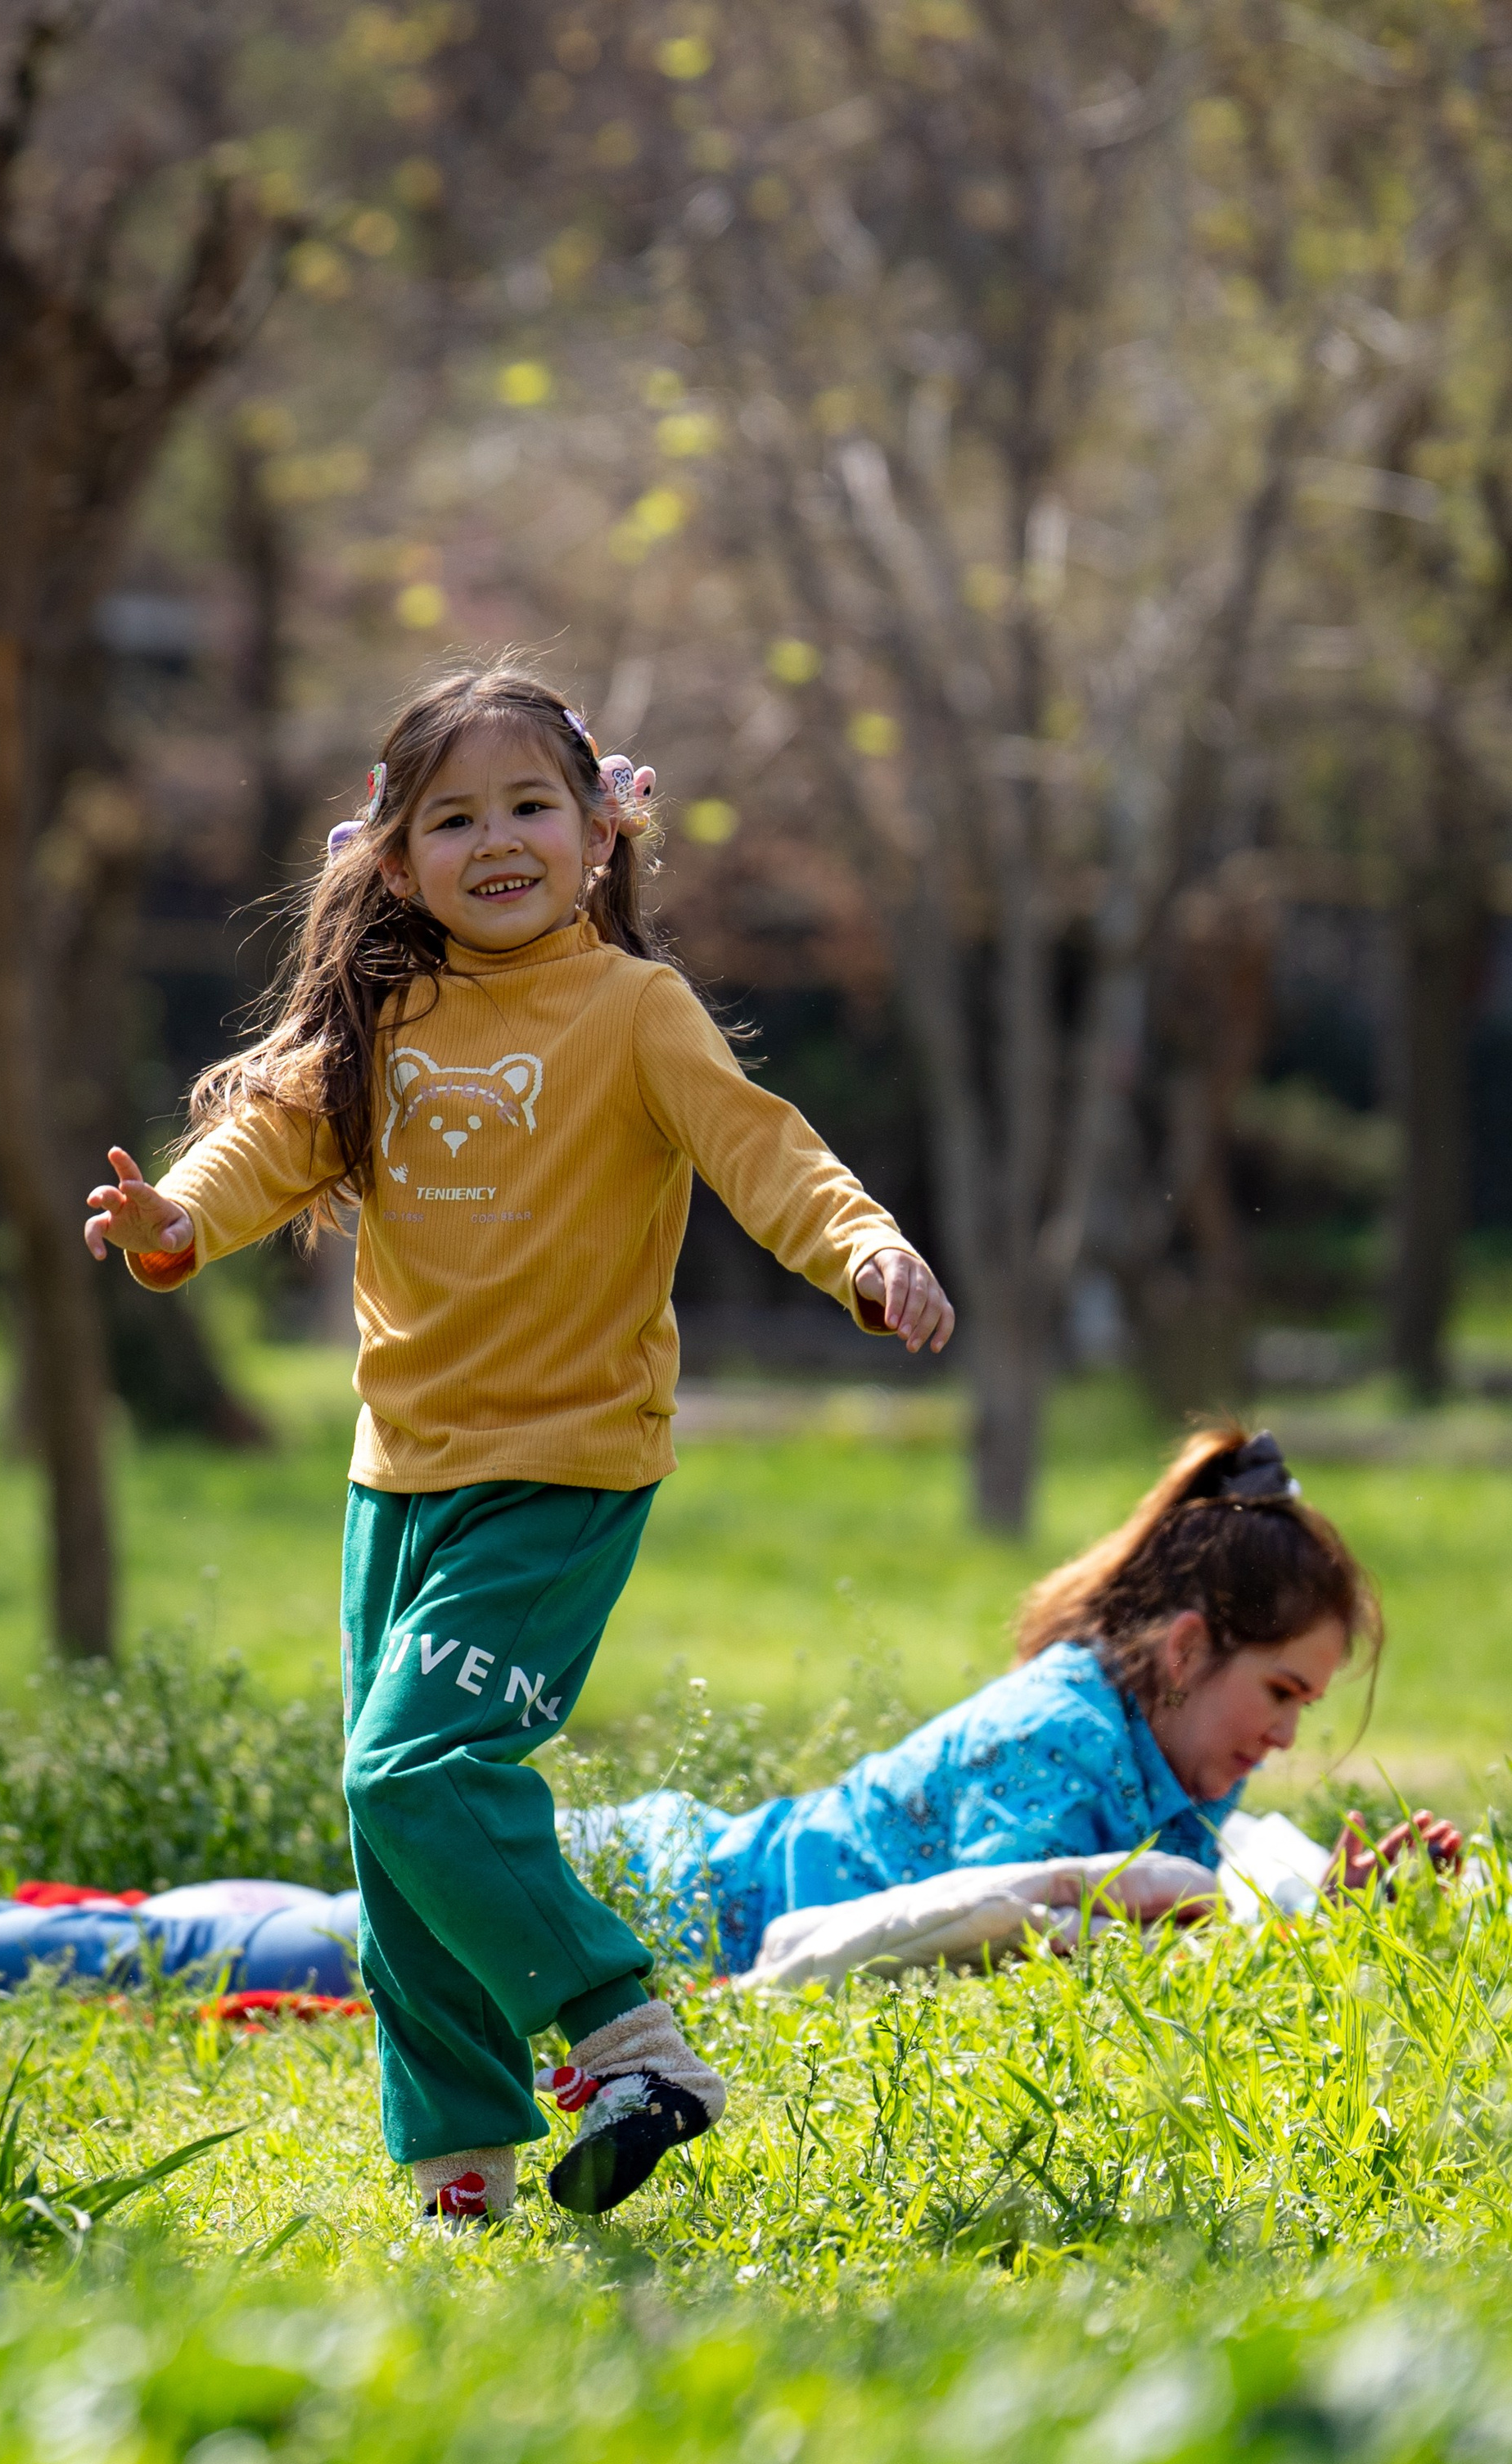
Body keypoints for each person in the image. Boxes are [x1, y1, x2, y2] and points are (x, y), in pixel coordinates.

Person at [83, 664, 953, 2223]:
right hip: (395, 1475)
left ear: (602, 830)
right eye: (455, 817)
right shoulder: (384, 1011)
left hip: (560, 1471)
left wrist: (863, 1245)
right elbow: (268, 1138)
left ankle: (633, 2041)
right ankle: (460, 2172)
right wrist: (174, 1220)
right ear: (395, 857)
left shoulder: (635, 1011)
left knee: (424, 1771)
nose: (499, 841)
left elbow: (764, 1147)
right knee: (389, 1808)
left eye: (530, 807)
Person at [598, 1425, 1462, 1973]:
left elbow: (1165, 1931)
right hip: (668, 1905)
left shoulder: (1186, 1765)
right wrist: (1292, 1941)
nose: (1284, 1735)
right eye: (1280, 1691)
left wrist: (1335, 1920)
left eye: (1304, 1705)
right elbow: (1021, 1957)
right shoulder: (1056, 1732)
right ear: (1188, 1648)